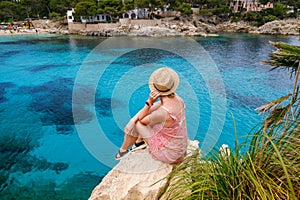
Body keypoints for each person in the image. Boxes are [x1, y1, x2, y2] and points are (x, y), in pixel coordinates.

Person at [115, 67, 188, 164]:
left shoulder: (162, 112)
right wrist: (136, 118)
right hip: (180, 149)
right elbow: (154, 109)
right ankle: (138, 142)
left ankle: (123, 150)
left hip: (170, 155)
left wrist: (149, 102)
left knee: (138, 124)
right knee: (145, 117)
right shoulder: (178, 99)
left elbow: (141, 121)